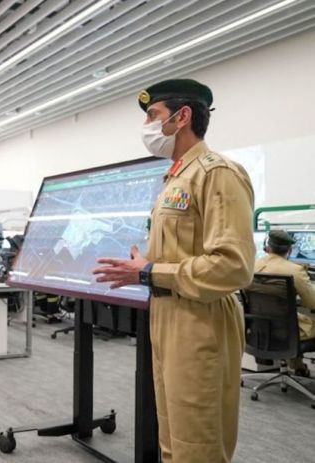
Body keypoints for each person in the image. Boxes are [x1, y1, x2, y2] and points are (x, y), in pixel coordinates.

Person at [92, 79, 255, 463]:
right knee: (173, 438)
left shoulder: (217, 173)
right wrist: (145, 262)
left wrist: (150, 271)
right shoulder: (176, 177)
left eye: (153, 115)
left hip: (200, 318)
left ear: (182, 117)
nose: (147, 126)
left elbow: (233, 266)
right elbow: (182, 252)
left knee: (197, 443)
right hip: (168, 313)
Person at [255, 229, 315, 375]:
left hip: (258, 329)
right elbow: (312, 303)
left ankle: (298, 367)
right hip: (286, 331)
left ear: (268, 247)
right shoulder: (294, 270)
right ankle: (298, 368)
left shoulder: (252, 266)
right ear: (290, 249)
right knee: (297, 322)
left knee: (290, 319)